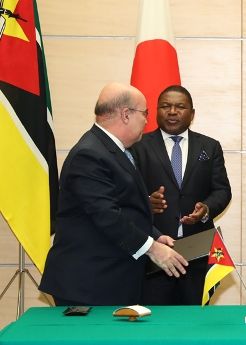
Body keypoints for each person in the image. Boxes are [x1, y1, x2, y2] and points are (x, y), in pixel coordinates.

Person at [39, 82, 188, 306]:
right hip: (89, 282)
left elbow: (126, 206)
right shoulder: (89, 154)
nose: (147, 120)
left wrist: (155, 235)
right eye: (144, 113)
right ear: (126, 114)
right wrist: (152, 248)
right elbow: (107, 215)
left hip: (111, 278)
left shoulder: (116, 150)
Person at [132, 85, 232, 305]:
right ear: (155, 111)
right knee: (155, 320)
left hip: (197, 250)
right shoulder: (138, 146)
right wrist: (147, 202)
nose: (172, 112)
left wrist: (206, 209)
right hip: (154, 250)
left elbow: (222, 190)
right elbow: (127, 195)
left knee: (195, 321)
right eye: (165, 106)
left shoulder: (210, 146)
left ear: (192, 114)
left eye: (180, 107)